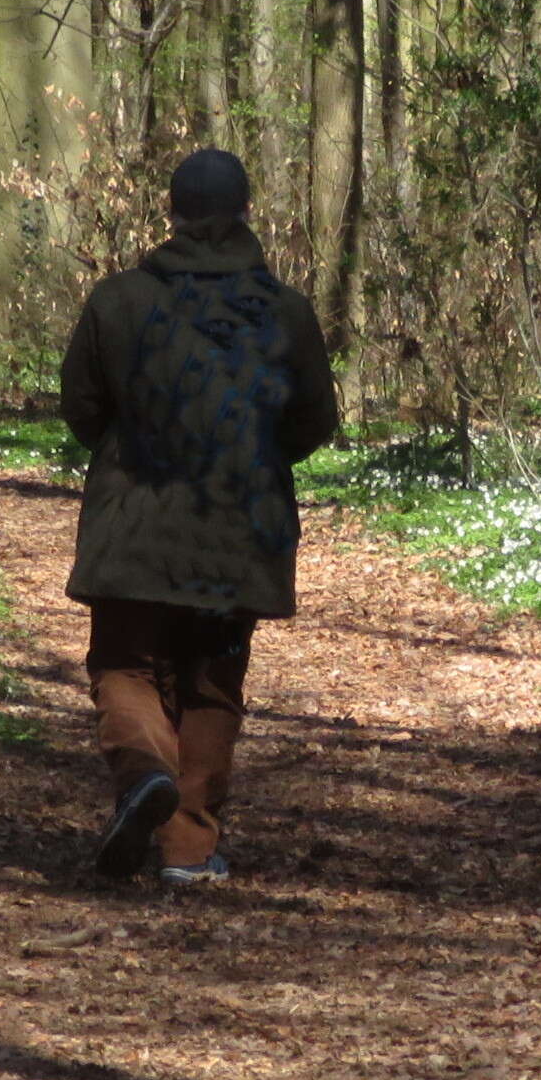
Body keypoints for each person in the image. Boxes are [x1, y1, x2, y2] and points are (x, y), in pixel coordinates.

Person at [58, 148, 340, 882]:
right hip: (240, 533)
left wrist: (131, 454)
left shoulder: (116, 301)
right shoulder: (286, 311)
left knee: (125, 665)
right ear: (247, 214)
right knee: (212, 684)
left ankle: (145, 772)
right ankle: (189, 849)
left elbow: (83, 409)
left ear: (172, 216)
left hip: (134, 529)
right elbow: (312, 424)